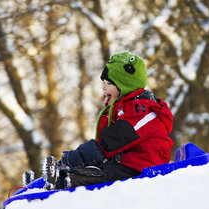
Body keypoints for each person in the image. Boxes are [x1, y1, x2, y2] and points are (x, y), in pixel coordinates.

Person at [42, 51, 173, 190]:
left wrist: (74, 158)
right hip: (126, 163)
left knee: (105, 175)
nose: (103, 87)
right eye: (103, 83)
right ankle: (50, 178)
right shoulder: (121, 109)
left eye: (109, 83)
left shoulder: (144, 111)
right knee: (98, 168)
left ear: (125, 85)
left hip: (143, 166)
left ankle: (67, 180)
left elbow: (112, 141)